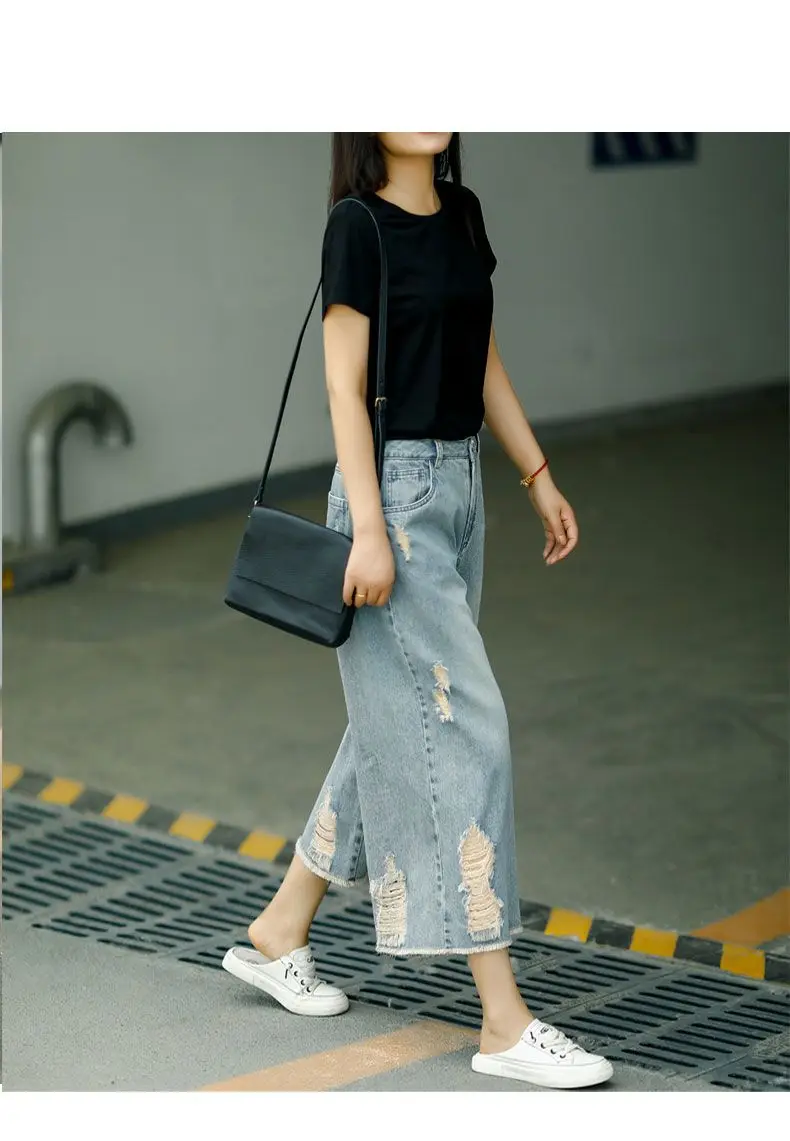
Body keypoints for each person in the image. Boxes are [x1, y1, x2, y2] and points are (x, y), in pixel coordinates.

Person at [224, 132, 614, 1090]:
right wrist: (368, 527)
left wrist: (535, 472)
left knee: (398, 717)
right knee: (465, 726)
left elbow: (481, 355)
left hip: (460, 492)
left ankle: (281, 927)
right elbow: (343, 385)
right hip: (392, 502)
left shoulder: (463, 213)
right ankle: (503, 1017)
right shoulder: (356, 227)